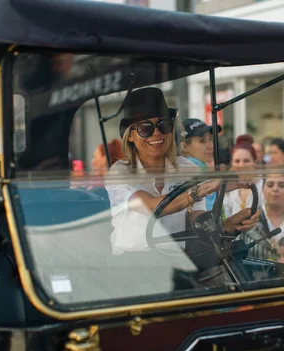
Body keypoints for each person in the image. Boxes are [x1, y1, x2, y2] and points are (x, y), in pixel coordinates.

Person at [106, 87, 258, 255]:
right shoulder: (119, 172)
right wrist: (205, 188)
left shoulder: (186, 168)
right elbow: (151, 206)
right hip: (130, 266)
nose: (156, 134)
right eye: (145, 128)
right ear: (130, 136)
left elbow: (198, 223)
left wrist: (230, 225)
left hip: (176, 262)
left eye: (164, 125)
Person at [238, 174, 284, 260]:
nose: (275, 189)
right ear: (263, 190)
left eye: (281, 185)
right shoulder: (251, 219)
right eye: (270, 185)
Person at [180, 118, 219, 209]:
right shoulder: (193, 172)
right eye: (202, 141)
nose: (211, 146)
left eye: (210, 138)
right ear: (185, 147)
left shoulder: (202, 170)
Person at [223, 135, 264, 217]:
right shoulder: (228, 188)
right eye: (237, 161)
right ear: (231, 163)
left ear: (255, 162)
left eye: (246, 161)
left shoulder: (264, 186)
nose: (241, 165)